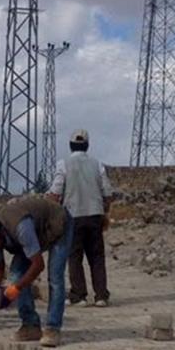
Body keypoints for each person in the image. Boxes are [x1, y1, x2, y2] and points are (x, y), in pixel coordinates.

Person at [0, 195, 73, 347]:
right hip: (35, 234)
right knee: (16, 274)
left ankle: (53, 328)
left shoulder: (21, 227)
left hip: (58, 223)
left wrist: (17, 287)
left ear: (1, 233)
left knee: (55, 278)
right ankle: (31, 325)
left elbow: (38, 265)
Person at [49, 128, 114, 307]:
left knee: (74, 256)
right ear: (87, 145)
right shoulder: (97, 164)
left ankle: (79, 294)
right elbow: (107, 192)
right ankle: (101, 295)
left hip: (73, 216)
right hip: (95, 215)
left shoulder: (63, 165)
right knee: (97, 257)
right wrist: (105, 211)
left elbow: (55, 192)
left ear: (70, 146)